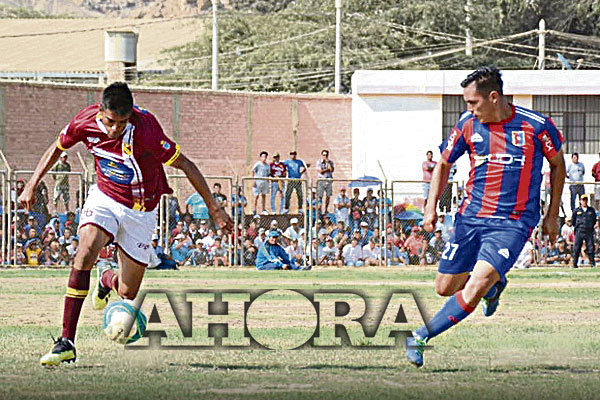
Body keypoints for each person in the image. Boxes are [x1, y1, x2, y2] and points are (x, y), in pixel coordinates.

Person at [19, 82, 233, 366]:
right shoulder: (85, 121)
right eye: (110, 122)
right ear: (101, 111)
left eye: (122, 123)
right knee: (85, 251)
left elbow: (186, 165)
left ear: (130, 115)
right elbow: (57, 147)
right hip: (104, 198)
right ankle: (66, 342)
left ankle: (106, 278)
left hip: (141, 212)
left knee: (127, 291)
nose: (114, 129)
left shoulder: (147, 130)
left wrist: (215, 209)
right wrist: (32, 184)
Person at [406, 66, 566, 368]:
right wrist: (430, 207)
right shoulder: (467, 124)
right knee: (444, 288)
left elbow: (558, 165)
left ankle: (420, 336)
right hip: (471, 217)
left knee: (476, 285)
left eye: (473, 102)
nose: (469, 109)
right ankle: (494, 286)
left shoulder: (536, 126)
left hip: (513, 222)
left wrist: (552, 215)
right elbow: (443, 164)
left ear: (493, 97)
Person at [572, 194, 596, 268]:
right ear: (580, 201)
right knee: (576, 248)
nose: (584, 201)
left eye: (585, 200)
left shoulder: (591, 210)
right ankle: (574, 264)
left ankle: (592, 263)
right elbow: (573, 221)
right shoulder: (577, 210)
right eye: (583, 200)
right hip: (579, 231)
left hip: (589, 231)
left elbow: (594, 220)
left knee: (590, 248)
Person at [316, 149, 335, 215]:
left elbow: (332, 170)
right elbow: (321, 171)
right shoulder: (319, 162)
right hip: (321, 180)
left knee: (328, 196)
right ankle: (320, 210)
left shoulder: (330, 162)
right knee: (320, 195)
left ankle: (326, 209)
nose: (325, 156)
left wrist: (328, 164)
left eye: (326, 155)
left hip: (328, 180)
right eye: (324, 155)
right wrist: (327, 169)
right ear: (322, 155)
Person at [252, 151, 270, 215]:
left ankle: (263, 209)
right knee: (256, 196)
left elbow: (268, 174)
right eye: (262, 157)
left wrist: (267, 182)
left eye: (265, 157)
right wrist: (254, 180)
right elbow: (253, 171)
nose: (264, 158)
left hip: (264, 182)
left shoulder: (267, 166)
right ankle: (254, 209)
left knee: (263, 195)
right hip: (257, 182)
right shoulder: (258, 164)